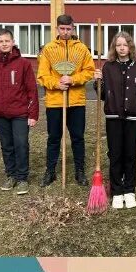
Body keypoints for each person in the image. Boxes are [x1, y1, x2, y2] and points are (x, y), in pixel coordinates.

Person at [0, 28, 39, 195]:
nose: (4, 44)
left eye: (7, 41)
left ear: (13, 42)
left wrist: (33, 114)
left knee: (21, 144)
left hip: (19, 113)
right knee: (6, 145)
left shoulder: (23, 64)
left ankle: (22, 178)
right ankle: (11, 175)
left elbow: (32, 90)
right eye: (0, 41)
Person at [37, 14, 96, 187]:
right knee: (54, 138)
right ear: (57, 29)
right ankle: (50, 171)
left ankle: (79, 171)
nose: (65, 32)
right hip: (55, 102)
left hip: (77, 102)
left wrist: (73, 79)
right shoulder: (49, 49)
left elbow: (89, 71)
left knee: (78, 137)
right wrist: (57, 84)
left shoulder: (82, 49)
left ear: (73, 28)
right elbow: (42, 76)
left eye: (68, 29)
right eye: (62, 29)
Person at [94, 32, 136, 209]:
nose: (122, 48)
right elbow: (103, 95)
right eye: (118, 45)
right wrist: (97, 82)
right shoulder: (108, 67)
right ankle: (117, 190)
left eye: (125, 45)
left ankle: (129, 190)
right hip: (114, 117)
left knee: (130, 155)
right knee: (115, 154)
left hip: (133, 118)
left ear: (130, 46)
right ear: (114, 47)